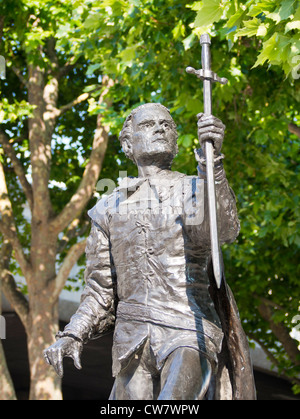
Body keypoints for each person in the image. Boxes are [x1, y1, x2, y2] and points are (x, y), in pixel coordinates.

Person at [44, 103, 255, 400]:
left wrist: (213, 163)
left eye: (167, 125)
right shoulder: (107, 207)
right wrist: (73, 334)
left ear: (176, 142)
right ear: (128, 144)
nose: (159, 128)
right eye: (149, 125)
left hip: (188, 328)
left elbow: (220, 230)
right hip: (132, 338)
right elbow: (100, 291)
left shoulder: (195, 187)